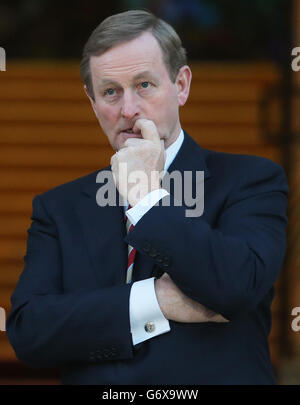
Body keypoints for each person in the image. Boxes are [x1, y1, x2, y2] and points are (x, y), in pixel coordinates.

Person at [6, 9, 288, 385]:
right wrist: (154, 300)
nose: (127, 110)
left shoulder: (251, 181)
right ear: (92, 103)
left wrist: (146, 199)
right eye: (110, 92)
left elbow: (236, 287)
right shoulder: (59, 209)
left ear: (181, 85)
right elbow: (29, 332)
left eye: (144, 85)